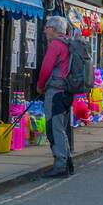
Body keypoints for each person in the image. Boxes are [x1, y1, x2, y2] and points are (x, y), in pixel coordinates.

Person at [36, 15, 75, 178]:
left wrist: (40, 85)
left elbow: (46, 69)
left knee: (54, 128)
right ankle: (67, 163)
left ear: (53, 29)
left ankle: (60, 165)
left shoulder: (55, 45)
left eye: (46, 27)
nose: (44, 30)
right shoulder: (70, 44)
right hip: (67, 92)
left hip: (56, 92)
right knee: (61, 127)